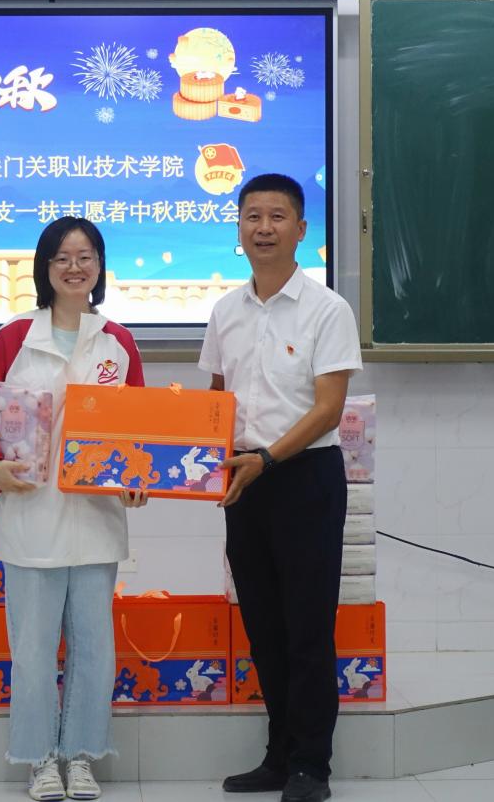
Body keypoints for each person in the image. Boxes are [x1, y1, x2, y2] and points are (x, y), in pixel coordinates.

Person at [0, 216, 148, 802]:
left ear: (100, 267)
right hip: (30, 521)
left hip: (95, 523)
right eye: (62, 257)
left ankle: (81, 757)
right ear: (45, 268)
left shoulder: (118, 343)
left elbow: (140, 430)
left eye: (86, 257)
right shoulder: (14, 338)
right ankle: (38, 760)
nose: (74, 267)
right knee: (33, 653)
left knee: (94, 651)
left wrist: (137, 480)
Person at [199, 173, 362, 802]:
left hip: (306, 479)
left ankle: (312, 766)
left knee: (307, 628)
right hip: (245, 481)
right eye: (252, 216)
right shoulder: (224, 311)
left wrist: (266, 457)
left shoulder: (328, 309)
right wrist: (200, 462)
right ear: (239, 229)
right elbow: (216, 403)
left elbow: (328, 409)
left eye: (277, 216)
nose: (263, 227)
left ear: (300, 229)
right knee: (263, 626)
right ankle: (277, 756)